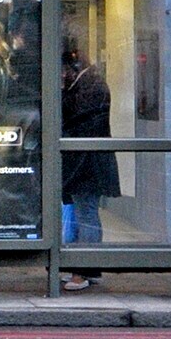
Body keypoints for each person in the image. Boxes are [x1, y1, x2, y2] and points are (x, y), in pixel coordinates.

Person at [59, 43, 119, 291]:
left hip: (88, 162)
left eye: (63, 69)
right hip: (85, 160)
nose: (62, 75)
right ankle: (89, 268)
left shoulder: (91, 85)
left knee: (87, 215)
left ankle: (83, 271)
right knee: (86, 213)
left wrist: (61, 95)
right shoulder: (87, 83)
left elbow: (76, 119)